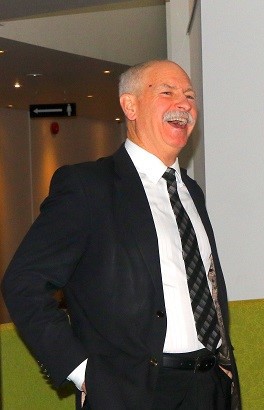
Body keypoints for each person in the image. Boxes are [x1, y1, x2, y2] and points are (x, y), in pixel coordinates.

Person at [2, 60, 239, 409]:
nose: (184, 103)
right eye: (167, 92)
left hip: (210, 388)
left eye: (189, 95)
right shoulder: (87, 187)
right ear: (130, 105)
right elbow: (23, 283)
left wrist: (223, 368)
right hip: (132, 394)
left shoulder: (191, 192)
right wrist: (82, 372)